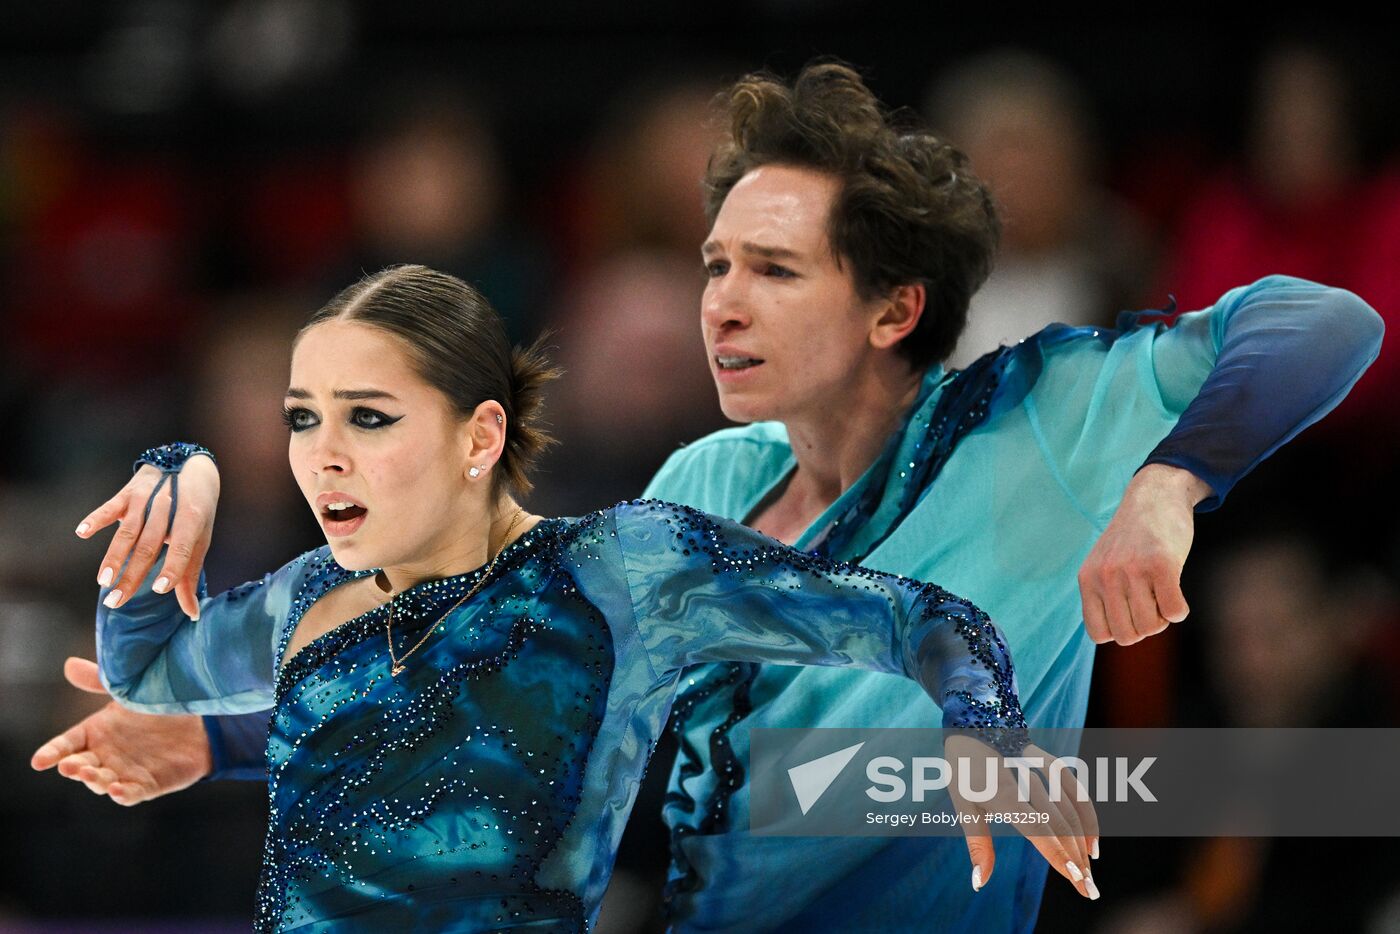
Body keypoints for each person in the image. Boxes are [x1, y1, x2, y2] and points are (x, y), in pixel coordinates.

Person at [35, 64, 1383, 931]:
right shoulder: (708, 480)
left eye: (774, 271)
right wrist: (210, 743)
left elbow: (1324, 322)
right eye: (712, 262)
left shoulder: (1044, 418)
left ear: (893, 307)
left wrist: (1166, 487)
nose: (721, 303)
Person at [80, 264, 1089, 932]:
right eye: (304, 418)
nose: (323, 457)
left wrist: (979, 719)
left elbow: (920, 618)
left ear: (479, 437)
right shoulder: (309, 591)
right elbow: (148, 670)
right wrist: (179, 479)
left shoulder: (623, 571)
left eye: (369, 418)